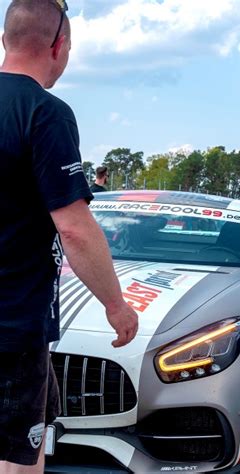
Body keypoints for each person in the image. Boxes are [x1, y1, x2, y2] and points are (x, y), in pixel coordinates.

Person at [0, 1, 139, 471]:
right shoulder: (45, 113)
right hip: (12, 328)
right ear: (58, 46)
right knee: (17, 459)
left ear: (6, 38)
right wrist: (116, 304)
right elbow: (75, 228)